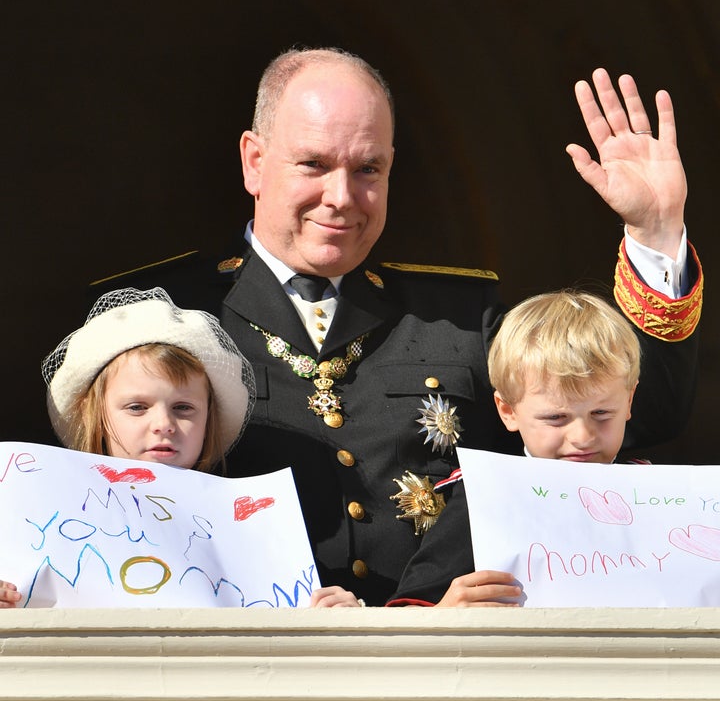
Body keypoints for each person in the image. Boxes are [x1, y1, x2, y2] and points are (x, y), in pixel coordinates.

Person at [85, 47, 703, 606]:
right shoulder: (158, 313)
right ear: (254, 160)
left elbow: (643, 414)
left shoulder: (462, 314)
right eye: (313, 164)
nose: (342, 196)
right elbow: (91, 503)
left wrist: (655, 231)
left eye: (368, 170)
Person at [0, 286, 362, 608]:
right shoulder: (33, 513)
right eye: (137, 407)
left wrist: (335, 616)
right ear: (96, 416)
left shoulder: (260, 530)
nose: (163, 425)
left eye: (183, 408)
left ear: (209, 421)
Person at [386, 288, 649, 606]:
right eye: (556, 417)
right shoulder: (483, 491)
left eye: (601, 414)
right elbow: (413, 612)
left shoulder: (655, 494)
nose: (582, 436)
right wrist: (444, 611)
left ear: (630, 400)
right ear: (508, 411)